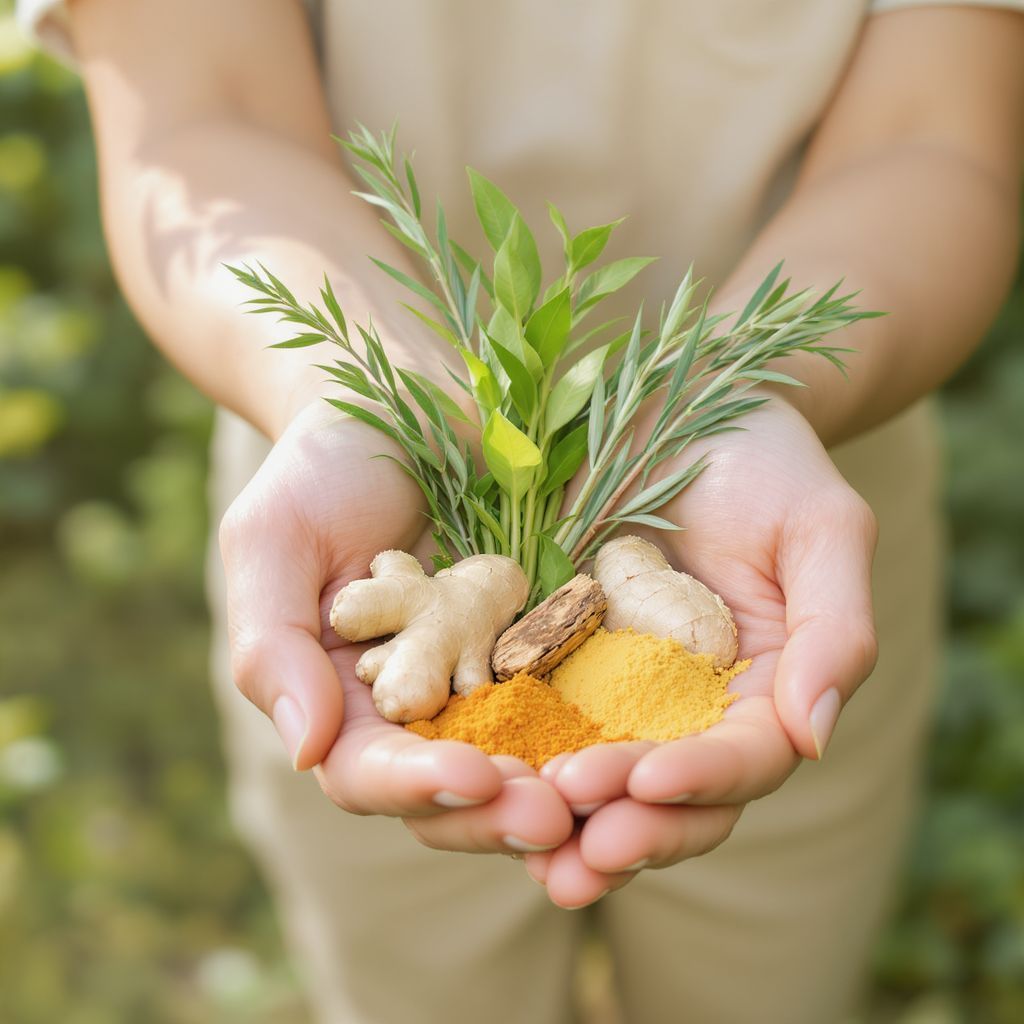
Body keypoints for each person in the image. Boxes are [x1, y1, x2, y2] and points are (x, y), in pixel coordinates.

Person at [19, 0, 1024, 1020]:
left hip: (790, 535)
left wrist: (737, 392)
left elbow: (932, 138)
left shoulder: (735, 583)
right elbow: (202, 119)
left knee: (770, 984)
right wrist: (364, 402)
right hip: (351, 532)